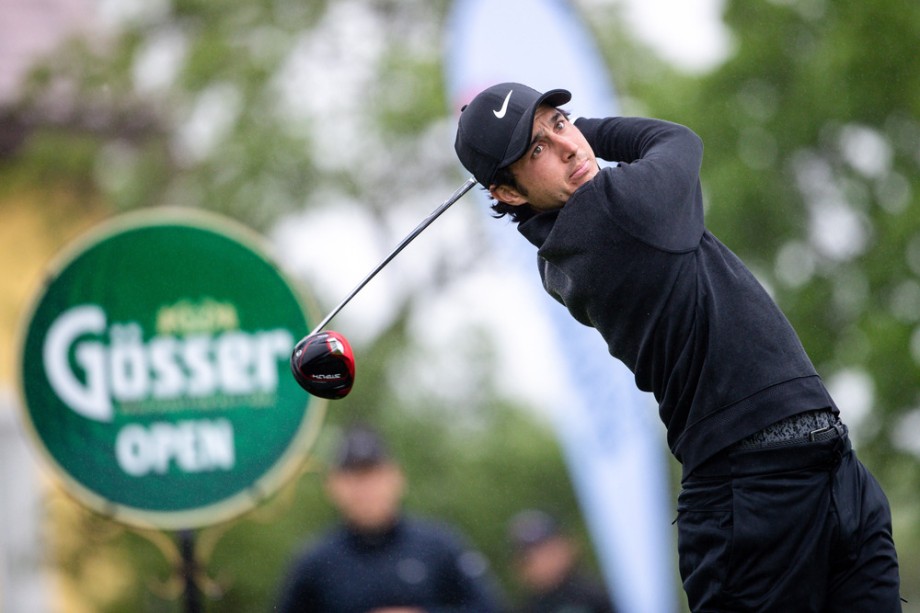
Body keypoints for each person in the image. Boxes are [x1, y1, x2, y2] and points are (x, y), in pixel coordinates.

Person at [453, 83, 902, 612]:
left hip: (830, 467)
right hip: (751, 497)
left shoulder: (562, 248)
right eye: (536, 151)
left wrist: (551, 137)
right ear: (508, 192)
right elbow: (674, 140)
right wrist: (588, 129)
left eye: (561, 123)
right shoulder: (613, 215)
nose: (569, 146)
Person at [274, 424, 504, 613]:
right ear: (333, 486)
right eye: (354, 477)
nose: (365, 489)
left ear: (397, 477)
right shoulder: (315, 562)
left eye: (373, 475)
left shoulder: (440, 545)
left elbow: (490, 607)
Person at [507, 509, 616, 613]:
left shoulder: (599, 596)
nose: (544, 561)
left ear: (569, 546)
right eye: (532, 556)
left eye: (549, 550)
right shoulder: (527, 609)